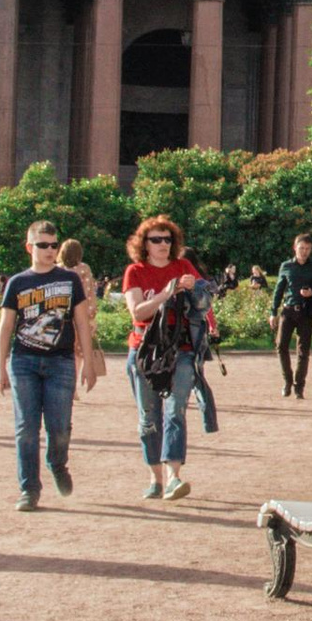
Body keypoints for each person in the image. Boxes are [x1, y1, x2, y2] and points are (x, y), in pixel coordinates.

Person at [0, 214, 99, 512]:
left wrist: (88, 363)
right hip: (24, 362)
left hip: (61, 362)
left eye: (53, 245)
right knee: (26, 428)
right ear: (29, 248)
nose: (50, 251)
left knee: (60, 426)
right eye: (43, 245)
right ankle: (29, 490)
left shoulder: (69, 280)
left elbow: (80, 322)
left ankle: (57, 463)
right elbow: (5, 327)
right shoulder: (18, 283)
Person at [123, 214, 210, 502]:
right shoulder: (134, 271)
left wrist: (196, 288)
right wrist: (167, 291)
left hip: (181, 348)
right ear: (144, 244)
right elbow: (138, 312)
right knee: (149, 418)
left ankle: (173, 477)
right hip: (145, 350)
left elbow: (204, 303)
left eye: (167, 239)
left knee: (175, 412)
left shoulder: (183, 266)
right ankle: (155, 478)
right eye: (156, 239)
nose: (163, 244)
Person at [271, 232, 312, 398]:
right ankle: (287, 381)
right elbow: (278, 290)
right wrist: (273, 311)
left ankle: (299, 385)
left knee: (303, 350)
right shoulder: (286, 266)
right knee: (281, 346)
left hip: (306, 312)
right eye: (301, 248)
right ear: (295, 248)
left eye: (307, 249)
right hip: (288, 310)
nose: (304, 251)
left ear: (311, 250)